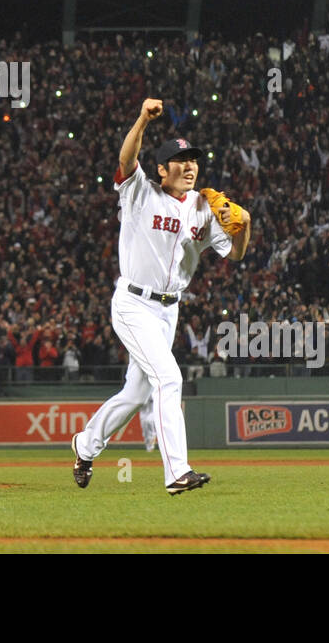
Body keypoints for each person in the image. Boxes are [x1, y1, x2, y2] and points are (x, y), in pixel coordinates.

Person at [71, 98, 251, 496]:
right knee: (169, 378)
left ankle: (85, 446)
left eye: (193, 160)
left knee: (135, 394)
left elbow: (235, 254)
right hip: (133, 303)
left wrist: (245, 227)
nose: (189, 166)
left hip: (168, 311)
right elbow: (125, 157)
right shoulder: (140, 192)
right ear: (161, 169)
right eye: (180, 160)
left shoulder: (205, 207)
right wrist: (141, 119)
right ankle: (177, 473)